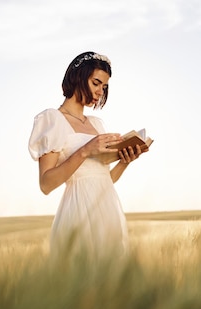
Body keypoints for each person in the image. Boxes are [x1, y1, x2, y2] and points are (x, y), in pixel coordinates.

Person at [28, 51, 143, 262]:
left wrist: (125, 162)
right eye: (96, 83)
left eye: (104, 87)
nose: (100, 91)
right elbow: (46, 184)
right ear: (78, 77)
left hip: (107, 211)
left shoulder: (96, 124)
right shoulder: (52, 120)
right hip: (78, 213)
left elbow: (103, 178)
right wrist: (85, 150)